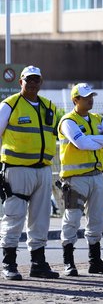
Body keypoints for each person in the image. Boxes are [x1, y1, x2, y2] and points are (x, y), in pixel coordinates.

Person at [0, 65, 59, 280]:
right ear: (21, 82)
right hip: (17, 170)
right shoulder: (9, 105)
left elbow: (60, 130)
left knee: (40, 219)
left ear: (41, 82)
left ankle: (38, 263)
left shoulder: (49, 106)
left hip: (43, 170)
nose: (32, 83)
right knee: (14, 217)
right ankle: (9, 264)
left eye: (36, 80)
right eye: (28, 80)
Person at [58, 83, 103, 276]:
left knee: (97, 220)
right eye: (86, 97)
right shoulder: (68, 121)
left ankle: (95, 262)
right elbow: (81, 143)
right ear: (75, 100)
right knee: (72, 219)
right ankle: (69, 262)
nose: (90, 99)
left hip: (96, 177)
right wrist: (99, 138)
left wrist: (91, 138)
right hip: (75, 180)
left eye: (91, 96)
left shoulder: (97, 118)